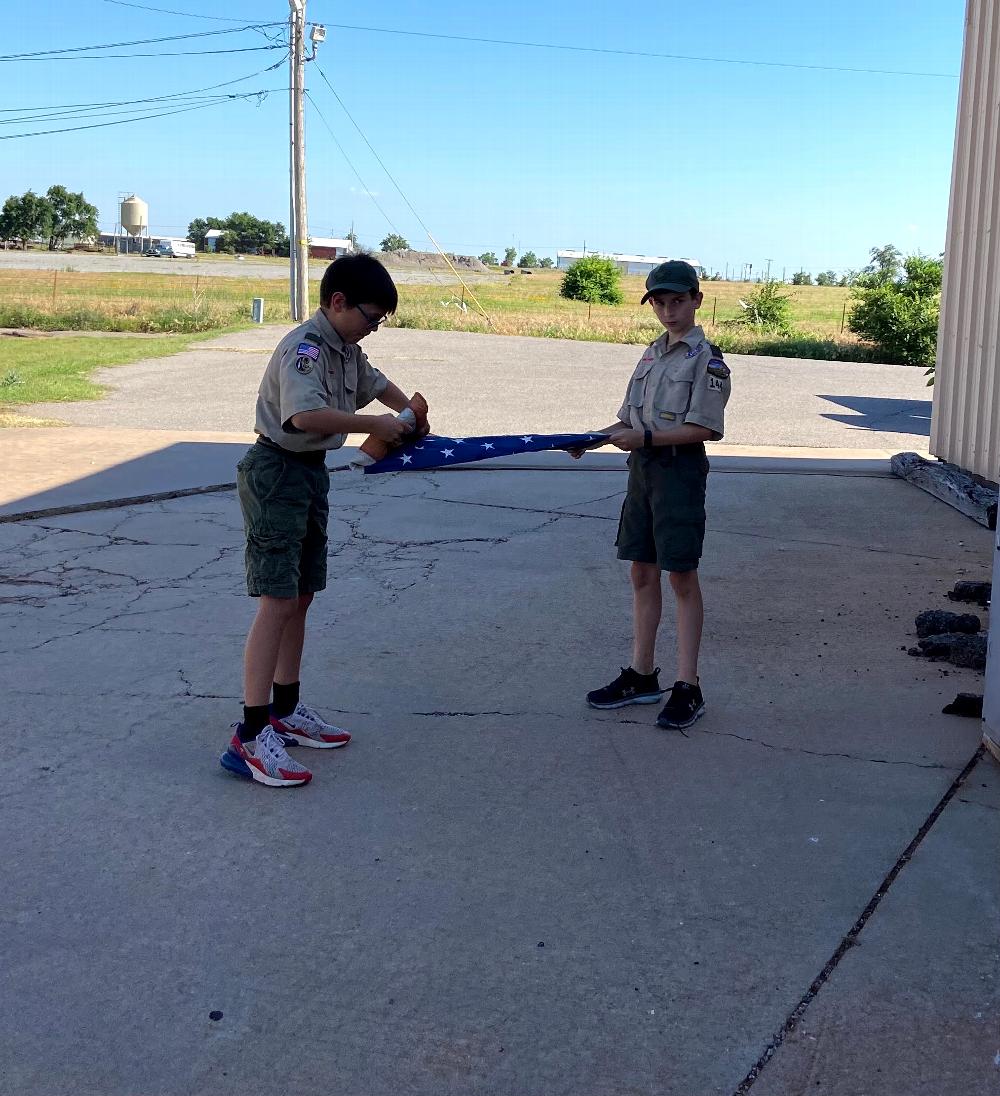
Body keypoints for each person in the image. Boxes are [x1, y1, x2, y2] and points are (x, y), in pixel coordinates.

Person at [220, 254, 425, 787]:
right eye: (370, 316)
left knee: (302, 594)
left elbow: (383, 387)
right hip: (276, 472)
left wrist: (411, 416)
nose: (373, 327)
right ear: (337, 302)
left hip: (309, 473)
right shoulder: (305, 350)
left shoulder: (347, 349)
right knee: (277, 600)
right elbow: (303, 417)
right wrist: (373, 423)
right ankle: (250, 733)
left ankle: (285, 708)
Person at [577, 260, 731, 729]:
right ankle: (642, 675)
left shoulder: (708, 360)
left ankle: (689, 685)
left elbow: (704, 428)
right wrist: (592, 437)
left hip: (679, 474)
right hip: (642, 472)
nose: (668, 311)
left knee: (681, 577)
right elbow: (629, 420)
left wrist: (643, 440)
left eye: (677, 301)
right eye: (659, 303)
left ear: (697, 301)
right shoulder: (650, 355)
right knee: (641, 572)